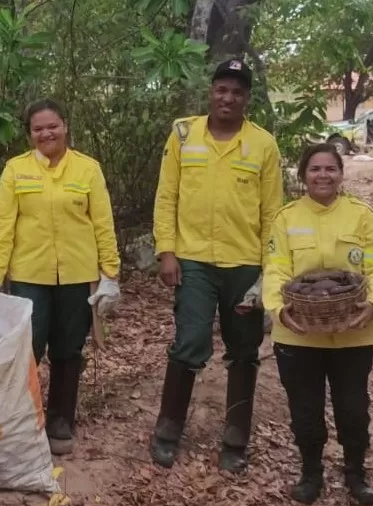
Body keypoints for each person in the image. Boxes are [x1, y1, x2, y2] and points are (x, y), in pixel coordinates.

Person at [149, 58, 284, 472]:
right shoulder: (183, 133)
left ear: (247, 98)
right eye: (222, 89)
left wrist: (269, 275)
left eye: (237, 91)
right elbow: (167, 195)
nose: (228, 97)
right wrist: (167, 251)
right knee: (189, 342)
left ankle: (235, 439)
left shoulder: (263, 145)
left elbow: (272, 214)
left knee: (243, 350)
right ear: (211, 92)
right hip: (193, 261)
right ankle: (168, 431)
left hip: (244, 263)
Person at [0, 98, 121, 455]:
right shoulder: (15, 170)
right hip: (29, 275)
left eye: (52, 126)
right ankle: (22, 418)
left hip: (77, 274)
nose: (46, 133)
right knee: (28, 348)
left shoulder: (87, 169)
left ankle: (60, 420)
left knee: (69, 349)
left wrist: (110, 274)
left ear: (65, 126)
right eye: (38, 129)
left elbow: (103, 224)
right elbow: (3, 228)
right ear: (29, 134)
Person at [263, 143, 373, 506]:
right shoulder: (286, 218)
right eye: (315, 169)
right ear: (303, 175)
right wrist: (277, 307)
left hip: (353, 330)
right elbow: (276, 269)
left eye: (330, 169)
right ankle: (310, 473)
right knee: (305, 410)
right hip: (298, 332)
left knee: (353, 408)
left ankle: (356, 472)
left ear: (341, 173)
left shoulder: (361, 216)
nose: (323, 175)